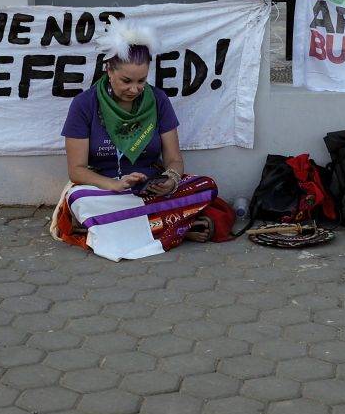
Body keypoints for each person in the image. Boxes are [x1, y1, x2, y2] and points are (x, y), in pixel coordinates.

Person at [50, 22, 231, 259]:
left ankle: (129, 227)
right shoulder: (85, 104)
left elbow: (174, 160)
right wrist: (114, 184)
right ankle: (174, 226)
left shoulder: (158, 100)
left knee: (205, 185)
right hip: (104, 190)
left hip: (149, 190)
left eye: (141, 81)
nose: (134, 89)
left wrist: (171, 180)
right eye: (126, 81)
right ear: (109, 70)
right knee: (80, 199)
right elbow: (77, 171)